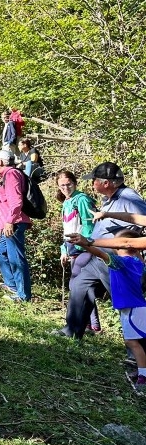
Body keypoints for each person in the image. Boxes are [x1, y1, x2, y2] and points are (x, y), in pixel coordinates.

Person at [54, 162, 146, 338]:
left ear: (106, 183)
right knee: (80, 285)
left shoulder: (128, 196)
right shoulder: (108, 200)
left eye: (94, 180)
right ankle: (72, 330)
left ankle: (137, 352)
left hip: (118, 262)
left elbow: (142, 220)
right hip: (100, 258)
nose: (91, 183)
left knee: (126, 303)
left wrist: (131, 246)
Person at [66, 230, 146, 391]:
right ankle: (142, 371)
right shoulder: (138, 263)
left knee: (132, 342)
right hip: (134, 308)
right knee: (137, 342)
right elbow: (136, 254)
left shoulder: (120, 263)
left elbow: (100, 254)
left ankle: (143, 376)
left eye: (116, 243)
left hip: (132, 309)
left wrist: (84, 243)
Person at [57, 170, 99, 332]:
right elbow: (66, 228)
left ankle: (89, 325)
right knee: (80, 287)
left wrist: (86, 245)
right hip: (71, 248)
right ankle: (89, 324)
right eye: (62, 185)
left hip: (84, 248)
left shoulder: (82, 200)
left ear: (75, 183)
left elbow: (90, 227)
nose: (65, 188)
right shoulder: (67, 202)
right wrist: (64, 250)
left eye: (69, 184)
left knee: (78, 285)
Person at [0, 149, 31, 302]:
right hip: (7, 223)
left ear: (1, 161)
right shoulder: (5, 176)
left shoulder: (11, 174)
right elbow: (2, 204)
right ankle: (12, 285)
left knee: (16, 258)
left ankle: (22, 296)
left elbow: (16, 201)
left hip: (15, 222)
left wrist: (10, 221)